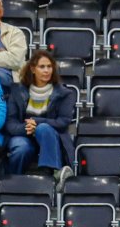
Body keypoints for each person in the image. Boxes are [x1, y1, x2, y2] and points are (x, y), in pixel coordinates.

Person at [5, 50, 75, 186]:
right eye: (42, 67)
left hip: (52, 137)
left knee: (43, 128)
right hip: (23, 134)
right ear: (32, 69)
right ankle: (12, 182)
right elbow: (10, 122)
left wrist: (37, 123)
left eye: (49, 66)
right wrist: (28, 128)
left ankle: (50, 176)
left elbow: (63, 121)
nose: (47, 70)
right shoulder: (17, 91)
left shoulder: (64, 93)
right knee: (21, 148)